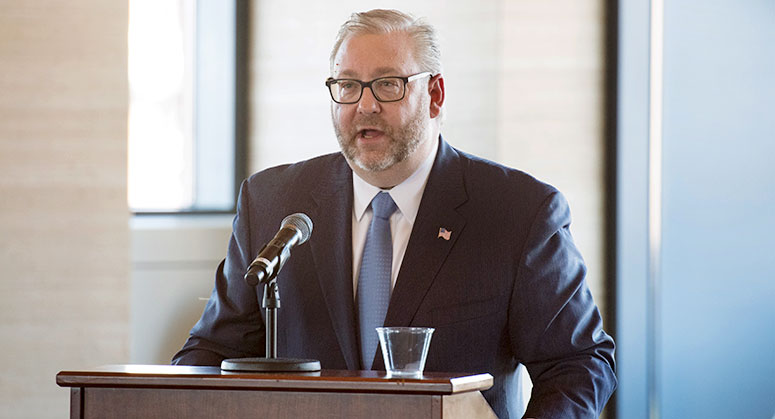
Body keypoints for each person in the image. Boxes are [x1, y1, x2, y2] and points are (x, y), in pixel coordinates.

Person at [173, 9, 616, 418]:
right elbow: (210, 352)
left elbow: (578, 364)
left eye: (388, 84)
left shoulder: (518, 212)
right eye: (347, 85)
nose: (364, 106)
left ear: (435, 95)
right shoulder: (272, 202)